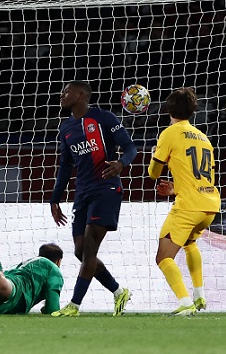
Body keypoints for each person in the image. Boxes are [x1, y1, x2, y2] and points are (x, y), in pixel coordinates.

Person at [49, 81, 137, 316]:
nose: (61, 94)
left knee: (88, 251)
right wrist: (55, 199)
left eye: (66, 91)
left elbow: (130, 148)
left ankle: (74, 305)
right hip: (83, 194)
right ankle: (119, 292)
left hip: (106, 190)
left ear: (80, 95)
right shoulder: (66, 128)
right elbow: (65, 166)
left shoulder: (104, 118)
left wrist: (121, 163)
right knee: (80, 252)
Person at [148, 87, 221, 316]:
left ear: (168, 109)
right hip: (209, 205)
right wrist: (175, 188)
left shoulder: (170, 133)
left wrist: (154, 155)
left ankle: (185, 302)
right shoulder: (203, 138)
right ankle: (200, 297)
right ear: (192, 110)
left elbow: (153, 172)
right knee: (189, 244)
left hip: (189, 206)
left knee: (163, 256)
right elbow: (201, 175)